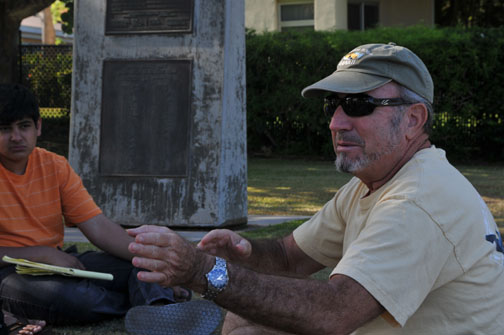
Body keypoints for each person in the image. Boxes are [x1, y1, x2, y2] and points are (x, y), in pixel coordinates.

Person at [125, 43, 504, 334]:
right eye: (333, 106)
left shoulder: (418, 199)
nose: (336, 122)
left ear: (413, 119)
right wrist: (246, 251)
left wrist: (201, 271)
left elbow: (335, 312)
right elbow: (291, 258)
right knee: (246, 323)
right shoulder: (373, 183)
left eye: (358, 104)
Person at [0, 84, 190, 327]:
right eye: (5, 129)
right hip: (11, 274)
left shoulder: (54, 166)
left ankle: (159, 309)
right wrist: (42, 253)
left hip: (59, 263)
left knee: (139, 266)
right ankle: (142, 303)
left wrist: (159, 268)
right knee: (76, 299)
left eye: (23, 126)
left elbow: (98, 227)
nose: (16, 137)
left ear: (38, 126)